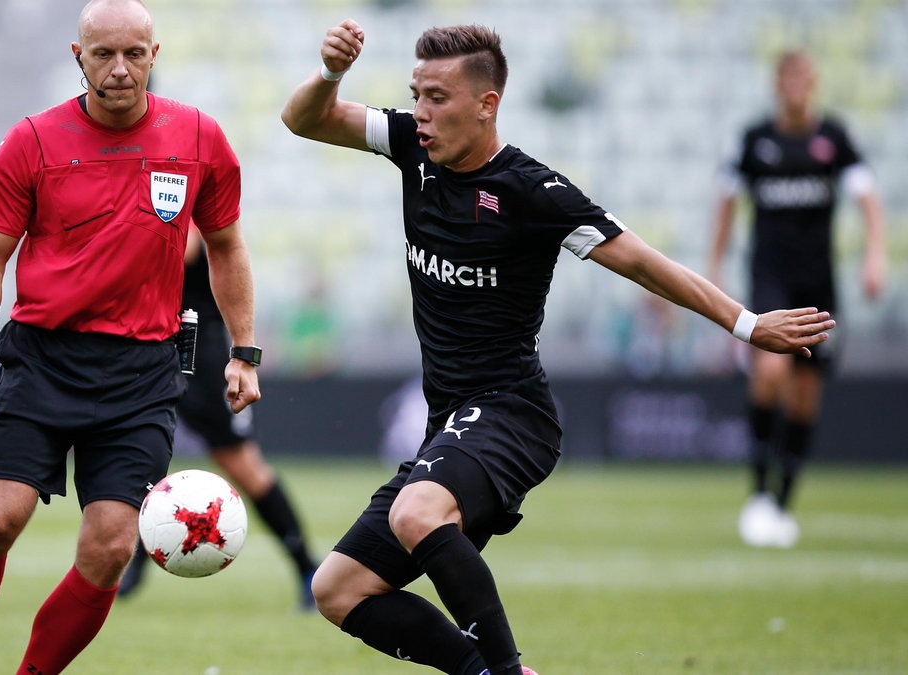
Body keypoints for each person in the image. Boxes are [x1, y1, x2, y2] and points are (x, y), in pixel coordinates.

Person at [281, 21, 835, 675]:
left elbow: (643, 264)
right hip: (450, 421)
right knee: (338, 589)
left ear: (487, 104)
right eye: (416, 94)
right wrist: (329, 72)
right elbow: (304, 121)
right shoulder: (412, 147)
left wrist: (746, 325)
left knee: (416, 510)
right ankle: (480, 670)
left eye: (437, 97)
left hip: (513, 414)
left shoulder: (531, 191)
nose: (421, 112)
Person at [0, 1, 261, 673]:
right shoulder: (31, 142)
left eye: (135, 54)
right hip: (41, 356)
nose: (120, 70)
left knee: (112, 546)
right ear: (77, 56)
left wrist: (243, 351)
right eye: (103, 55)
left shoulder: (200, 137)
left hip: (142, 371)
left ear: (155, 53)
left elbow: (229, 248)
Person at [709, 50, 886, 549]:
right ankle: (758, 495)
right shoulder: (753, 141)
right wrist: (715, 269)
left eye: (804, 78)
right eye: (788, 78)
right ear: (776, 84)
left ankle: (782, 505)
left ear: (813, 83)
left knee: (806, 394)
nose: (796, 87)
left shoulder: (834, 139)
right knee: (770, 373)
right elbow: (724, 205)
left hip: (818, 286)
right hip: (770, 281)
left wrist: (874, 257)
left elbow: (869, 203)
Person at [117, 227, 319, 609]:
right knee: (142, 454)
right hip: (144, 345)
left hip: (200, 353)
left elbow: (180, 249)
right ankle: (132, 568)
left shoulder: (183, 188)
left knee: (242, 466)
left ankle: (307, 568)